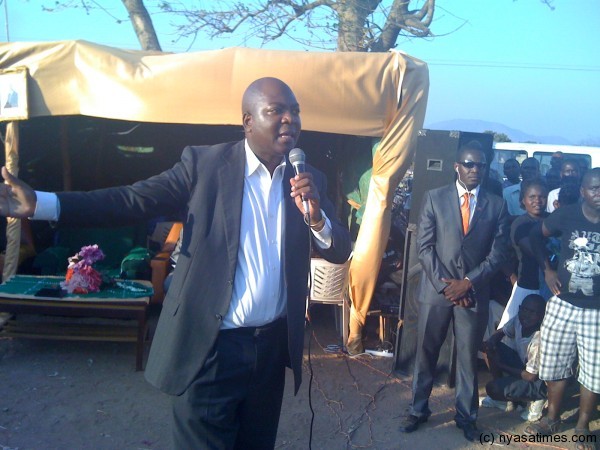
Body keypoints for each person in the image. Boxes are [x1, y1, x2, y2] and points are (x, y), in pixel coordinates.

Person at [0, 77, 352, 450]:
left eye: (294, 111)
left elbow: (339, 249)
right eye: (276, 111)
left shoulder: (305, 179)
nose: (289, 120)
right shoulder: (204, 165)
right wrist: (42, 203)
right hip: (211, 348)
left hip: (270, 350)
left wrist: (316, 219)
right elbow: (131, 201)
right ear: (248, 121)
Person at [398, 140, 510, 442]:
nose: (476, 170)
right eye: (470, 164)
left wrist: (468, 282)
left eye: (481, 165)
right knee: (425, 353)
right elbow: (425, 247)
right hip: (437, 292)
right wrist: (446, 286)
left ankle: (466, 415)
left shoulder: (496, 205)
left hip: (472, 293)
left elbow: (498, 254)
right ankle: (418, 410)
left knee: (467, 357)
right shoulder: (434, 198)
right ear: (456, 167)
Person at [526, 168, 600, 449]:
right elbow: (535, 235)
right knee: (555, 366)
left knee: (594, 372)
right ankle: (552, 419)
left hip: (597, 310)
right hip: (563, 304)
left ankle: (582, 428)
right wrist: (547, 270)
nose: (599, 193)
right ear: (583, 191)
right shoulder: (567, 214)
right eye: (594, 188)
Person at [481, 294, 547, 422]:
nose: (526, 315)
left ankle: (537, 399)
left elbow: (530, 376)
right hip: (524, 366)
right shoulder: (519, 319)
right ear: (520, 308)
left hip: (538, 381)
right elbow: (502, 331)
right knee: (490, 348)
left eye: (532, 312)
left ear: (542, 315)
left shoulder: (539, 339)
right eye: (524, 310)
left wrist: (500, 364)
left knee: (492, 388)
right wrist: (491, 342)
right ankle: (505, 400)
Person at [497, 178, 550, 328]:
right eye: (532, 197)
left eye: (542, 197)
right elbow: (533, 251)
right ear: (523, 200)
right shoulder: (520, 223)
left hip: (549, 286)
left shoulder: (552, 220)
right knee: (509, 331)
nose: (537, 201)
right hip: (527, 285)